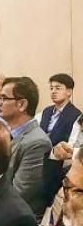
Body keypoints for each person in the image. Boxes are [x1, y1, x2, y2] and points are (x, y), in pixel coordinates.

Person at [0, 76, 53, 219]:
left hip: (18, 219)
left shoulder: (37, 142)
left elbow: (18, 193)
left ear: (22, 104)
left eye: (4, 98)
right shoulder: (6, 134)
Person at [40, 74, 81, 205]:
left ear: (69, 91)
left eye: (58, 88)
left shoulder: (76, 115)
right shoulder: (46, 112)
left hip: (58, 167)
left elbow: (71, 147)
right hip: (40, 163)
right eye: (51, 88)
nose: (53, 92)